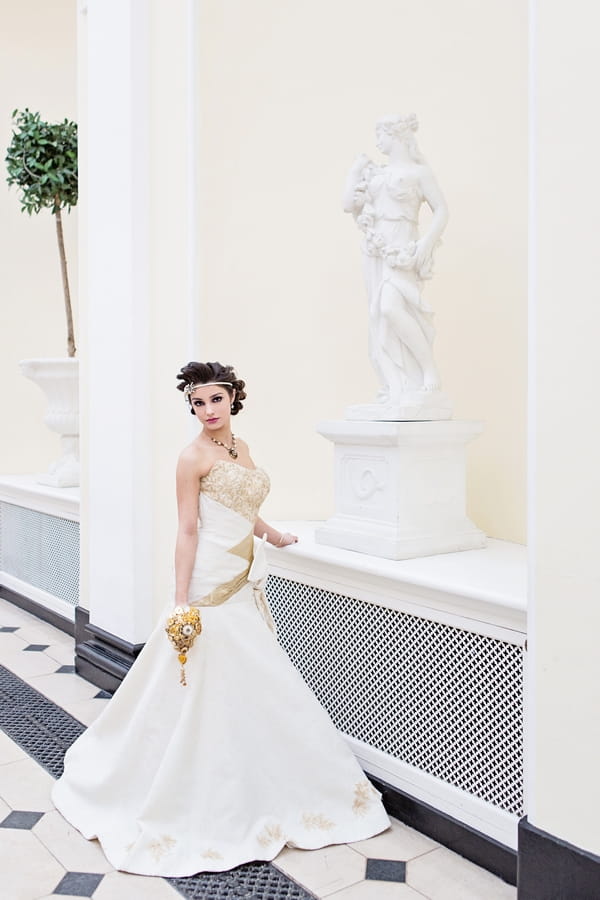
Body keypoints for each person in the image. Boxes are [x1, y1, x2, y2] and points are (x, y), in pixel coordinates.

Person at [52, 361, 390, 877]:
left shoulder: (241, 448)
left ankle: (266, 779)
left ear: (233, 398)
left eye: (215, 400)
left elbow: (240, 503)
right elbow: (188, 529)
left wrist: (272, 535)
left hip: (243, 573)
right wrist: (182, 600)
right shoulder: (191, 457)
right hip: (210, 579)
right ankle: (186, 783)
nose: (207, 411)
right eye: (197, 404)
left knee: (255, 676)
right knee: (200, 677)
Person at [343, 113, 449, 404]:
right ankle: (396, 386)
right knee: (380, 319)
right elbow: (347, 204)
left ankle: (428, 370)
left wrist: (426, 243)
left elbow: (441, 209)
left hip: (403, 251)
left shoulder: (419, 173)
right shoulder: (375, 173)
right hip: (376, 252)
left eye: (381, 134)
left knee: (391, 308)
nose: (377, 141)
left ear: (397, 136)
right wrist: (355, 171)